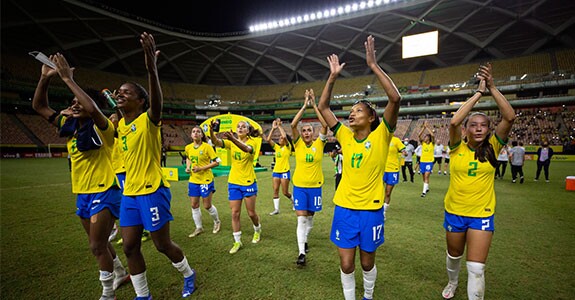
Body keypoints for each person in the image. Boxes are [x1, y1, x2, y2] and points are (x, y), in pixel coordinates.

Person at [32, 53, 129, 299]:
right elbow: (39, 107)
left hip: (105, 190)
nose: (74, 105)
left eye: (79, 102)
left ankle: (108, 294)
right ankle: (120, 273)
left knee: (96, 245)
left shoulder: (103, 127)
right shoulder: (70, 125)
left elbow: (93, 109)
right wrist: (45, 79)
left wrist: (67, 79)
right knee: (102, 244)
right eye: (72, 102)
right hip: (82, 192)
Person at [318, 35, 401, 300]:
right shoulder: (343, 135)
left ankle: (368, 295)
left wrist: (374, 65)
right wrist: (332, 77)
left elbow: (395, 99)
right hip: (344, 208)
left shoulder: (382, 135)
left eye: (358, 110)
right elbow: (323, 107)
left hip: (371, 211)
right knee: (346, 264)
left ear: (371, 117)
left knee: (366, 263)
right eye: (351, 111)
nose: (351, 114)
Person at [115, 32, 196, 299]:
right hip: (129, 193)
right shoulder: (121, 126)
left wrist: (152, 70)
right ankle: (143, 295)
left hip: (152, 190)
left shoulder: (149, 120)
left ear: (141, 101)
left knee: (162, 245)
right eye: (119, 92)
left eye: (127, 92)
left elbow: (157, 104)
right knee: (129, 247)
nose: (120, 94)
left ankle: (188, 274)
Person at [441, 62, 515, 300]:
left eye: (484, 125)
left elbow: (510, 117)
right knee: (454, 256)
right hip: (454, 211)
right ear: (467, 130)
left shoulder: (494, 146)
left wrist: (492, 88)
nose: (479, 129)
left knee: (476, 268)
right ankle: (452, 282)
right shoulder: (455, 147)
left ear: (489, 130)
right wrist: (478, 93)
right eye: (474, 125)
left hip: (481, 214)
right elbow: (453, 122)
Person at [209, 119, 262, 254]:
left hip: (248, 181)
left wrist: (232, 139)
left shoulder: (253, 142)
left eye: (243, 127)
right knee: (235, 213)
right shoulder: (231, 142)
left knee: (251, 213)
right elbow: (216, 142)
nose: (240, 128)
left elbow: (246, 149)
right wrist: (211, 131)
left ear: (248, 130)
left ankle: (257, 229)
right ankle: (237, 241)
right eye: (238, 126)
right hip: (234, 182)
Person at [290, 88, 328, 266]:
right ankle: (301, 252)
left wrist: (315, 107)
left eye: (308, 131)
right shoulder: (297, 144)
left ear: (313, 133)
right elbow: (292, 125)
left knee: (310, 217)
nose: (305, 133)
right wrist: (305, 106)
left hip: (315, 187)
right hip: (299, 186)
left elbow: (325, 125)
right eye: (303, 130)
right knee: (301, 218)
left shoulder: (320, 143)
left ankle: (305, 239)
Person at [184, 125, 222, 237]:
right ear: (191, 135)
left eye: (198, 132)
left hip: (206, 179)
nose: (195, 133)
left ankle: (217, 221)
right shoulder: (188, 148)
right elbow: (188, 158)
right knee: (194, 205)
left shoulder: (207, 147)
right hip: (193, 180)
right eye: (193, 131)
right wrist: (188, 167)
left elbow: (217, 162)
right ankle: (198, 228)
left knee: (207, 206)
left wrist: (201, 168)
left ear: (202, 135)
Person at [263, 118, 294, 215]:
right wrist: (273, 128)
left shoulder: (287, 148)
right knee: (275, 190)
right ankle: (276, 209)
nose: (280, 138)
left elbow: (284, 136)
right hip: (276, 171)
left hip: (285, 171)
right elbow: (268, 139)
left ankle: (294, 201)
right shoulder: (277, 147)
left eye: (281, 138)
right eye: (279, 138)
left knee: (285, 192)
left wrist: (280, 126)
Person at [383, 135, 406, 220]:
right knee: (376, 190)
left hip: (393, 169)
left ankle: (383, 212)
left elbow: (403, 150)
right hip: (381, 169)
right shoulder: (382, 138)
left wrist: (404, 152)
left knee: (388, 192)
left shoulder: (396, 140)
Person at [418, 122, 435, 197]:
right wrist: (423, 128)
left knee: (427, 175)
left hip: (429, 162)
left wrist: (427, 128)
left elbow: (433, 135)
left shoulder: (432, 144)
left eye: (426, 137)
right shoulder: (423, 144)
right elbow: (419, 135)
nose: (424, 138)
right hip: (422, 162)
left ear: (428, 138)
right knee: (423, 176)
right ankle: (426, 187)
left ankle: (423, 192)